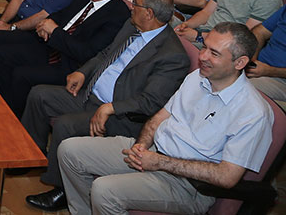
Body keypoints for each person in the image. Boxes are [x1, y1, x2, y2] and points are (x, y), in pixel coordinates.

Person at [57, 22, 272, 215]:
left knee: (105, 190)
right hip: (154, 152)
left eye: (214, 53)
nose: (202, 56)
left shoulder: (252, 112)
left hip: (189, 185)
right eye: (204, 47)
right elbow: (160, 116)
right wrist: (141, 146)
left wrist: (160, 162)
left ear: (240, 62)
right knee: (69, 151)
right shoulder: (196, 77)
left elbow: (227, 177)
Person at [22, 0, 191, 211]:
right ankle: (32, 155)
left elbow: (151, 102)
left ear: (149, 13)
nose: (131, 8)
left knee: (65, 125)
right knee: (39, 94)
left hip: (118, 115)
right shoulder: (131, 26)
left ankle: (61, 188)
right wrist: (83, 72)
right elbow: (105, 54)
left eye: (136, 5)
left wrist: (111, 107)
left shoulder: (172, 56)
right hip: (90, 93)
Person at [0, 0, 130, 116]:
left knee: (21, 75)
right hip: (52, 45)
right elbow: (61, 15)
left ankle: (13, 117)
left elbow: (86, 53)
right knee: (0, 52)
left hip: (69, 64)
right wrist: (45, 24)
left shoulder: (118, 16)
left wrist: (54, 31)